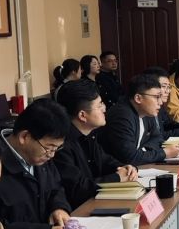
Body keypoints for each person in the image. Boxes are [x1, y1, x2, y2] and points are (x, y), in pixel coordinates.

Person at [0, 99, 73, 229]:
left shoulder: (40, 156)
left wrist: (59, 208)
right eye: (49, 148)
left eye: (57, 148)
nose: (52, 154)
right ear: (24, 137)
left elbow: (55, 188)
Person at [54, 80, 139, 209]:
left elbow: (105, 161)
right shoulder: (61, 145)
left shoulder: (90, 134)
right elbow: (78, 189)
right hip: (78, 211)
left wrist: (125, 168)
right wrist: (116, 177)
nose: (104, 109)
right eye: (99, 106)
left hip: (97, 202)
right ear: (82, 115)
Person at [100, 74, 179, 166]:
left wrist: (142, 151)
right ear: (138, 98)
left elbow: (158, 138)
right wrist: (164, 153)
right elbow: (129, 158)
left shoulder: (145, 111)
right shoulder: (122, 116)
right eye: (156, 97)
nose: (160, 102)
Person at [143, 66, 179, 140]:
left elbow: (167, 125)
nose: (168, 91)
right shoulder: (146, 108)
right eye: (164, 86)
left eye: (168, 87)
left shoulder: (160, 106)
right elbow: (157, 137)